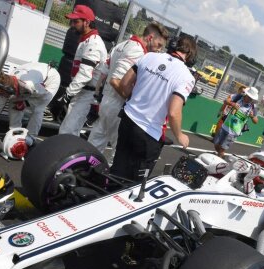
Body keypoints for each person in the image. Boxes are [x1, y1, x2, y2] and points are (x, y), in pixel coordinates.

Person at [108, 35, 196, 181]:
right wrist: (180, 135)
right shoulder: (187, 76)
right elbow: (174, 112)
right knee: (135, 183)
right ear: (190, 55)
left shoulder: (149, 56)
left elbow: (124, 84)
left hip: (127, 119)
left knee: (118, 168)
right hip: (149, 133)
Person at [87, 22, 169, 160]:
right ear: (150, 38)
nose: (159, 50)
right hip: (118, 106)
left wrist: (97, 97)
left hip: (106, 101)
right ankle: (109, 180)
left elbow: (104, 73)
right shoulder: (137, 50)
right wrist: (134, 101)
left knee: (95, 144)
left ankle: (83, 171)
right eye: (159, 45)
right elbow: (115, 80)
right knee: (119, 152)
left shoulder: (122, 44)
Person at [58, 5, 107, 136]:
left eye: (76, 21)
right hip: (81, 92)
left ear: (87, 22)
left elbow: (85, 74)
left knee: (67, 131)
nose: (72, 24)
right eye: (72, 21)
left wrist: (68, 94)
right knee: (69, 131)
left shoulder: (93, 44)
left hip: (87, 94)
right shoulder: (85, 40)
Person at [0, 62, 60, 141]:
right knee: (14, 103)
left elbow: (45, 97)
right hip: (32, 75)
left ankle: (31, 138)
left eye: (3, 93)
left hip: (50, 78)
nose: (3, 95)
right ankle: (15, 132)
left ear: (9, 89)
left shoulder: (30, 85)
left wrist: (25, 103)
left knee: (38, 109)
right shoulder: (6, 82)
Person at [212, 87, 259, 158]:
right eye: (249, 96)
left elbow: (256, 121)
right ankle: (221, 157)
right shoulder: (238, 96)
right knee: (216, 144)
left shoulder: (253, 107)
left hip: (234, 132)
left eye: (251, 98)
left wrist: (252, 116)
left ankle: (219, 159)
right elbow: (225, 101)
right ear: (246, 94)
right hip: (225, 126)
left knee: (222, 149)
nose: (249, 99)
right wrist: (232, 104)